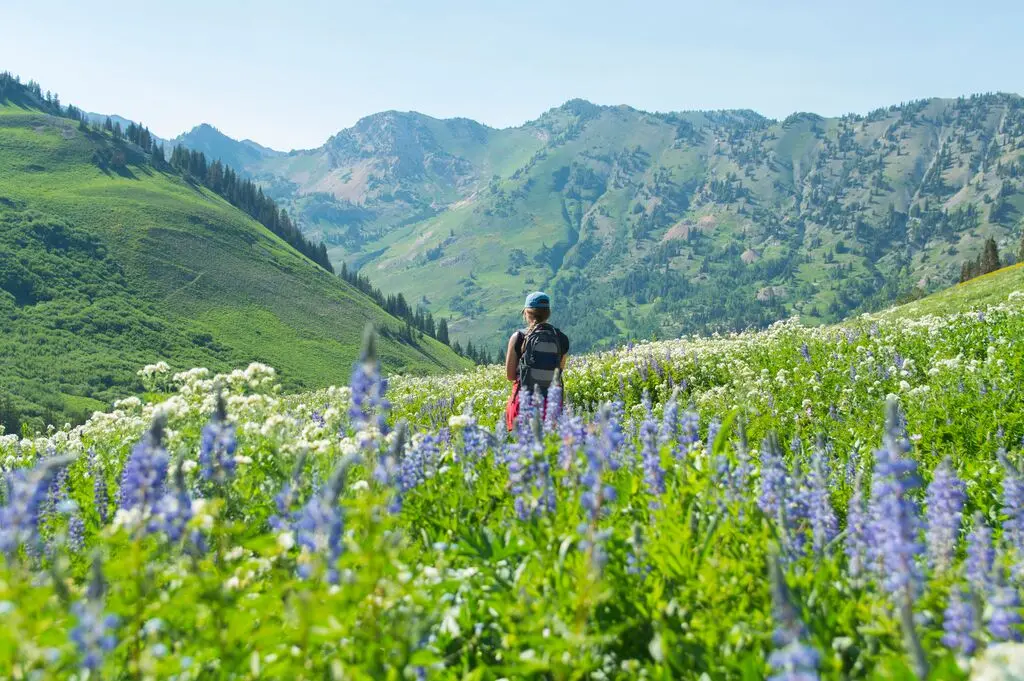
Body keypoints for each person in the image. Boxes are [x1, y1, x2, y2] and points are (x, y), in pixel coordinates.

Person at [504, 291, 570, 430]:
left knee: (522, 447)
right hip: (551, 405)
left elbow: (510, 376)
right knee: (550, 448)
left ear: (526, 313)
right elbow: (559, 371)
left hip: (524, 403)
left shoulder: (518, 337)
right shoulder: (561, 338)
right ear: (548, 313)